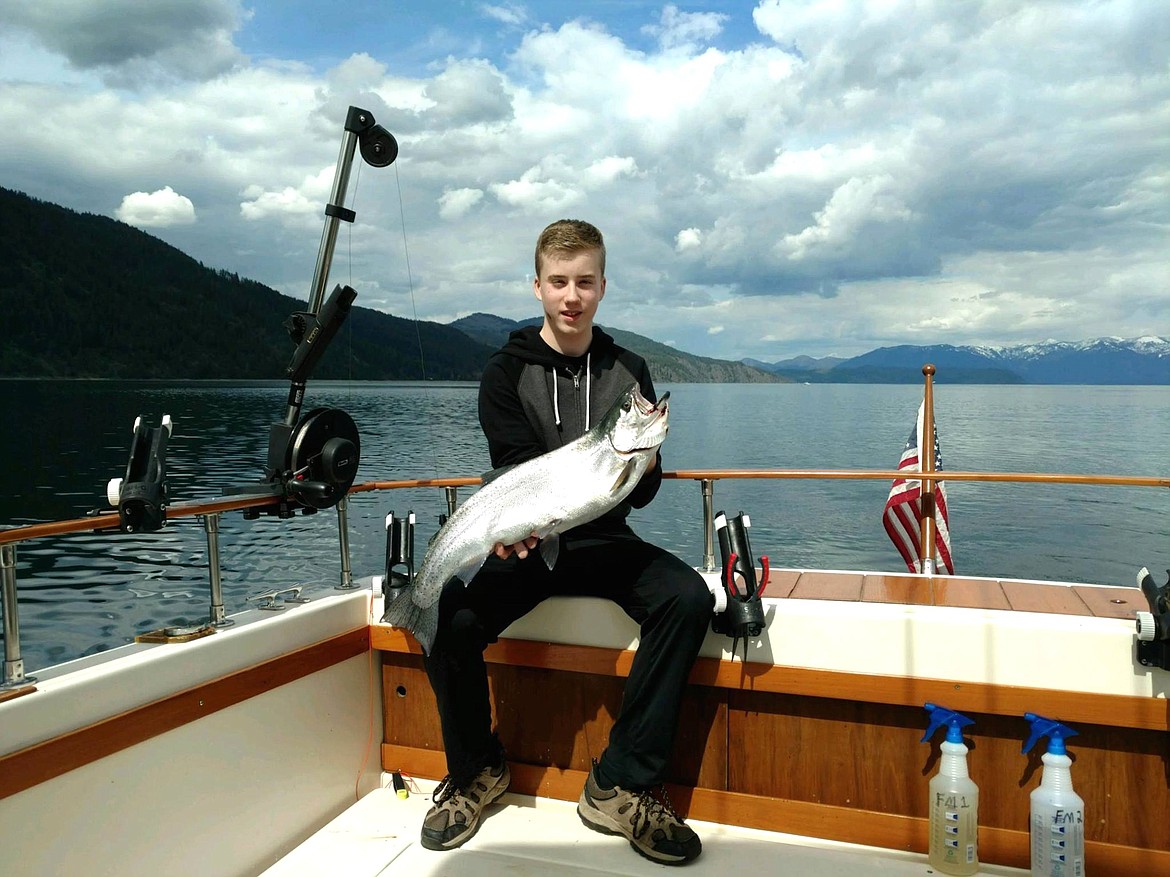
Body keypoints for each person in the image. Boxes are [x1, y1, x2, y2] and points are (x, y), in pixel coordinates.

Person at [418, 219, 712, 865]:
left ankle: (621, 783)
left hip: (605, 540)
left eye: (584, 281)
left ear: (602, 286)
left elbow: (637, 496)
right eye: (559, 281)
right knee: (446, 615)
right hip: (530, 544)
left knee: (687, 598)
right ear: (538, 286)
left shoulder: (627, 369)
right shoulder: (505, 372)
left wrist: (646, 462)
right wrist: (510, 533)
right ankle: (476, 771)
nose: (571, 295)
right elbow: (516, 470)